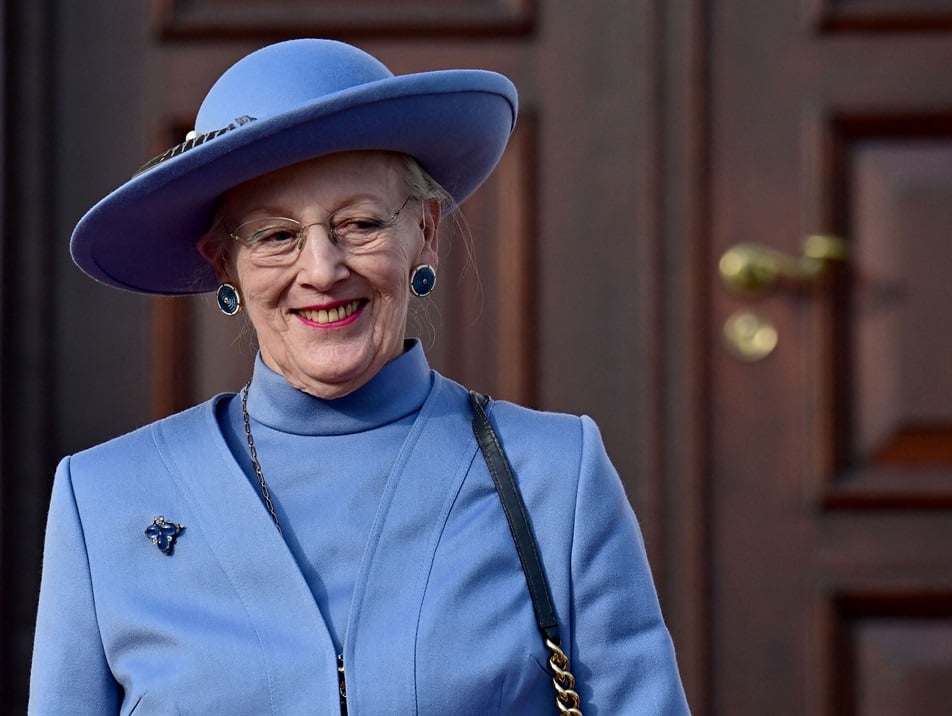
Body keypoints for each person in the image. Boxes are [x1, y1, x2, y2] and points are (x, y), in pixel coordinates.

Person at [29, 38, 690, 715]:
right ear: (223, 263)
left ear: (425, 233)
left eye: (361, 224)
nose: (322, 269)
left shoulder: (553, 475)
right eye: (275, 236)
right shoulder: (104, 498)